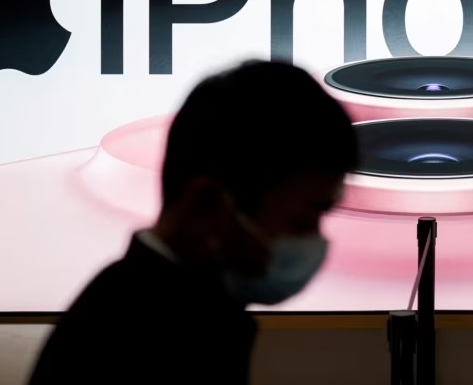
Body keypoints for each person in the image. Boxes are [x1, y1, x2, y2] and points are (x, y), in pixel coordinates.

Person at [28, 60, 359, 385]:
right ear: (208, 204)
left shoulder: (182, 310)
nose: (314, 243)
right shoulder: (145, 334)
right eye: (301, 220)